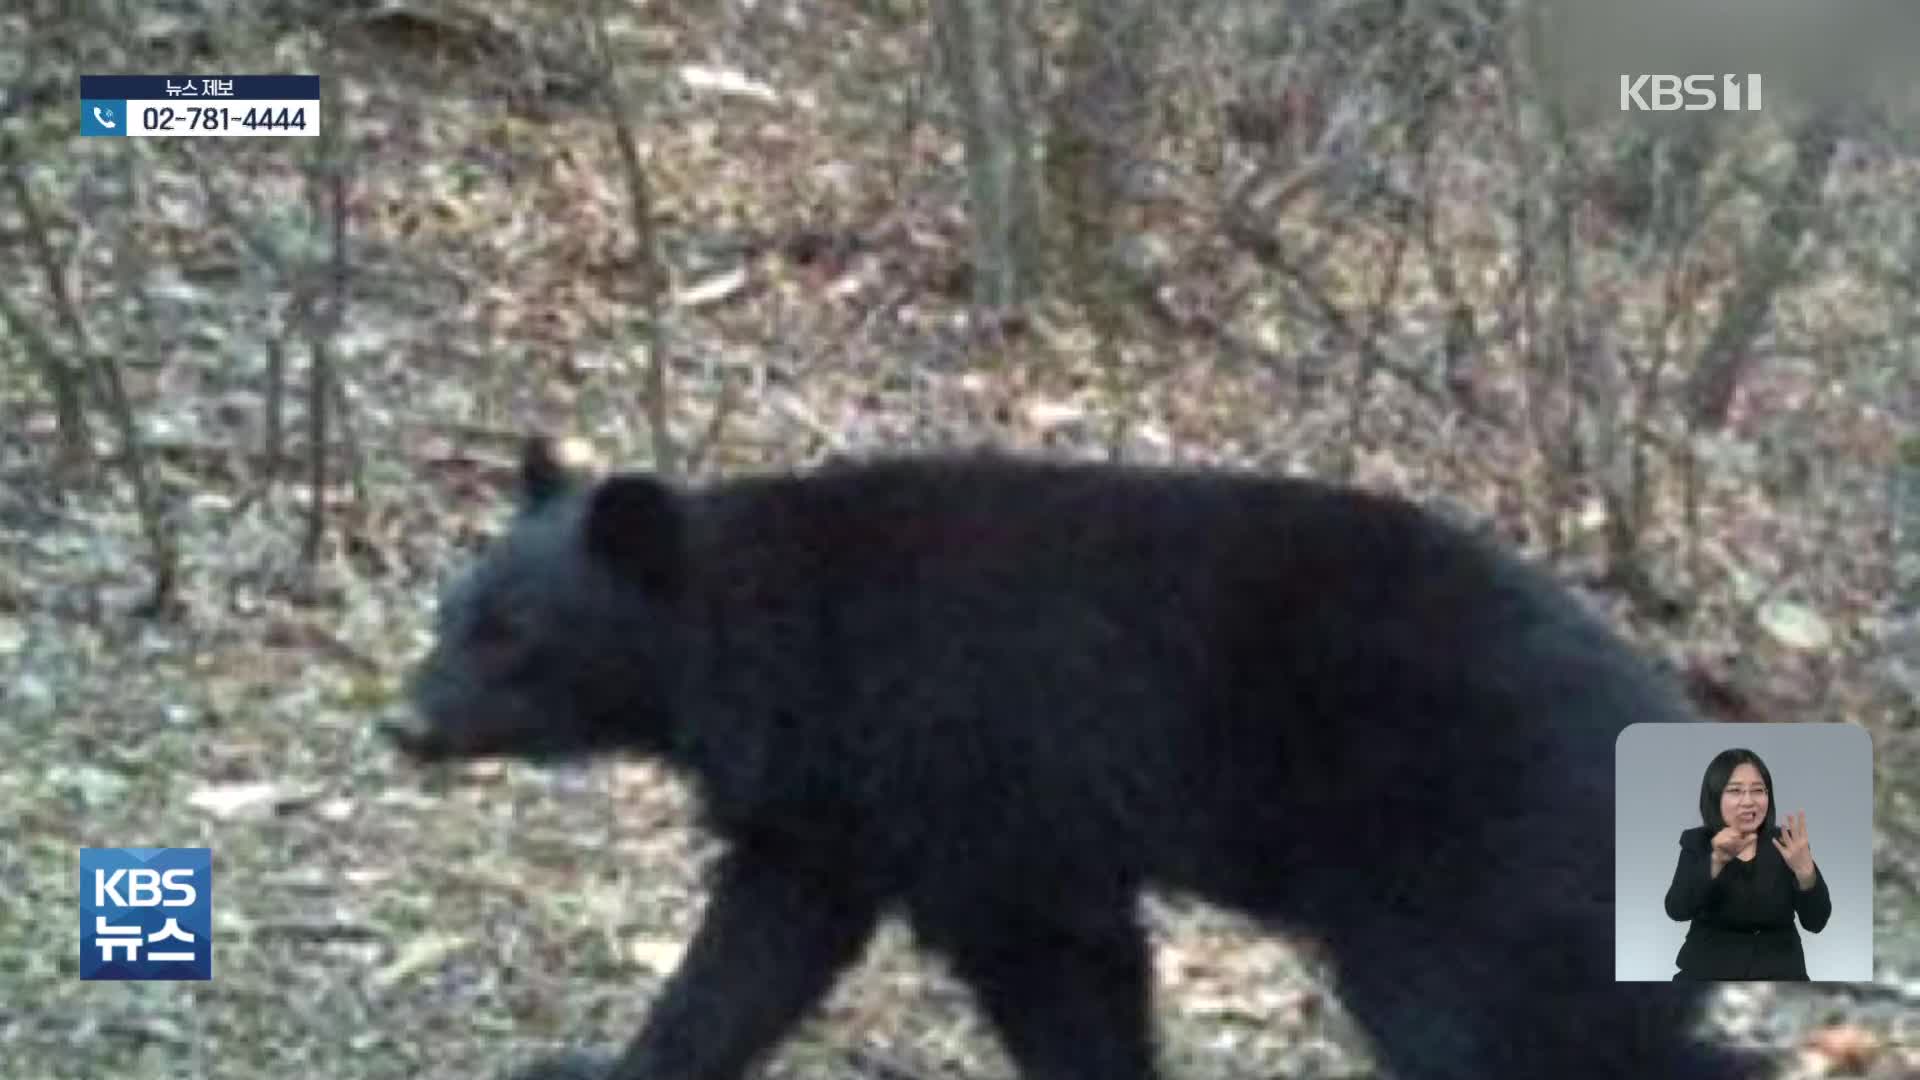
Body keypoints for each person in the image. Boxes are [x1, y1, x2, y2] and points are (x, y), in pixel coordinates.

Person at [1664, 748, 1832, 980]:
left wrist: (1806, 874)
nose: (1749, 801)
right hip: (1707, 974)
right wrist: (1715, 861)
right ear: (1715, 796)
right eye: (1735, 791)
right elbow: (1677, 909)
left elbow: (1816, 923)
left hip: (1780, 978)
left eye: (1757, 791)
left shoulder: (1787, 844)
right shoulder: (1697, 843)